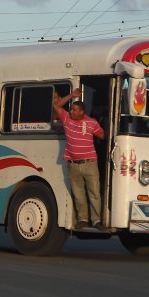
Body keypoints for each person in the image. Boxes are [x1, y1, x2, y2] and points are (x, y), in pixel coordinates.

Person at [53, 88, 105, 230]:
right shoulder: (66, 119)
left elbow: (102, 135)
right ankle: (83, 219)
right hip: (73, 164)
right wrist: (71, 95)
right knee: (78, 194)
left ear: (82, 112)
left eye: (74, 110)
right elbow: (56, 106)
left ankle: (96, 220)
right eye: (71, 109)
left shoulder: (91, 122)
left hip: (90, 163)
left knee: (94, 193)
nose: (71, 112)